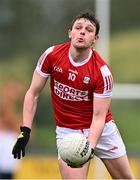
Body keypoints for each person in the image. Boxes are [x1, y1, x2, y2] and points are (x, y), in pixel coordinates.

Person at [12, 11, 134, 179]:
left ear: (95, 39)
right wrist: (25, 130)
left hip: (101, 130)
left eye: (89, 30)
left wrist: (89, 147)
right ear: (70, 33)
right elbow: (33, 93)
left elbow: (99, 116)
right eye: (78, 27)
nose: (82, 31)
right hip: (68, 132)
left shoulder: (102, 72)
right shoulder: (51, 55)